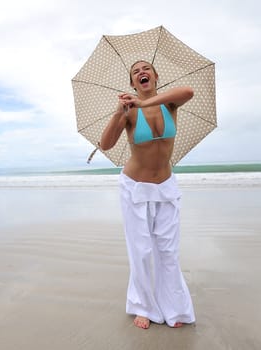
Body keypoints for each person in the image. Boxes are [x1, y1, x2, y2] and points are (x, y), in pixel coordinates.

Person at [99, 60, 196, 330]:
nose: (142, 72)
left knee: (168, 251)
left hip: (166, 186)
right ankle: (143, 306)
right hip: (135, 186)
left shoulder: (170, 104)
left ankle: (175, 308)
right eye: (135, 71)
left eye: (146, 68)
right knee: (141, 251)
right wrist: (119, 113)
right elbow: (105, 145)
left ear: (155, 76)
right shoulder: (129, 112)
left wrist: (144, 104)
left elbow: (188, 91)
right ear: (132, 83)